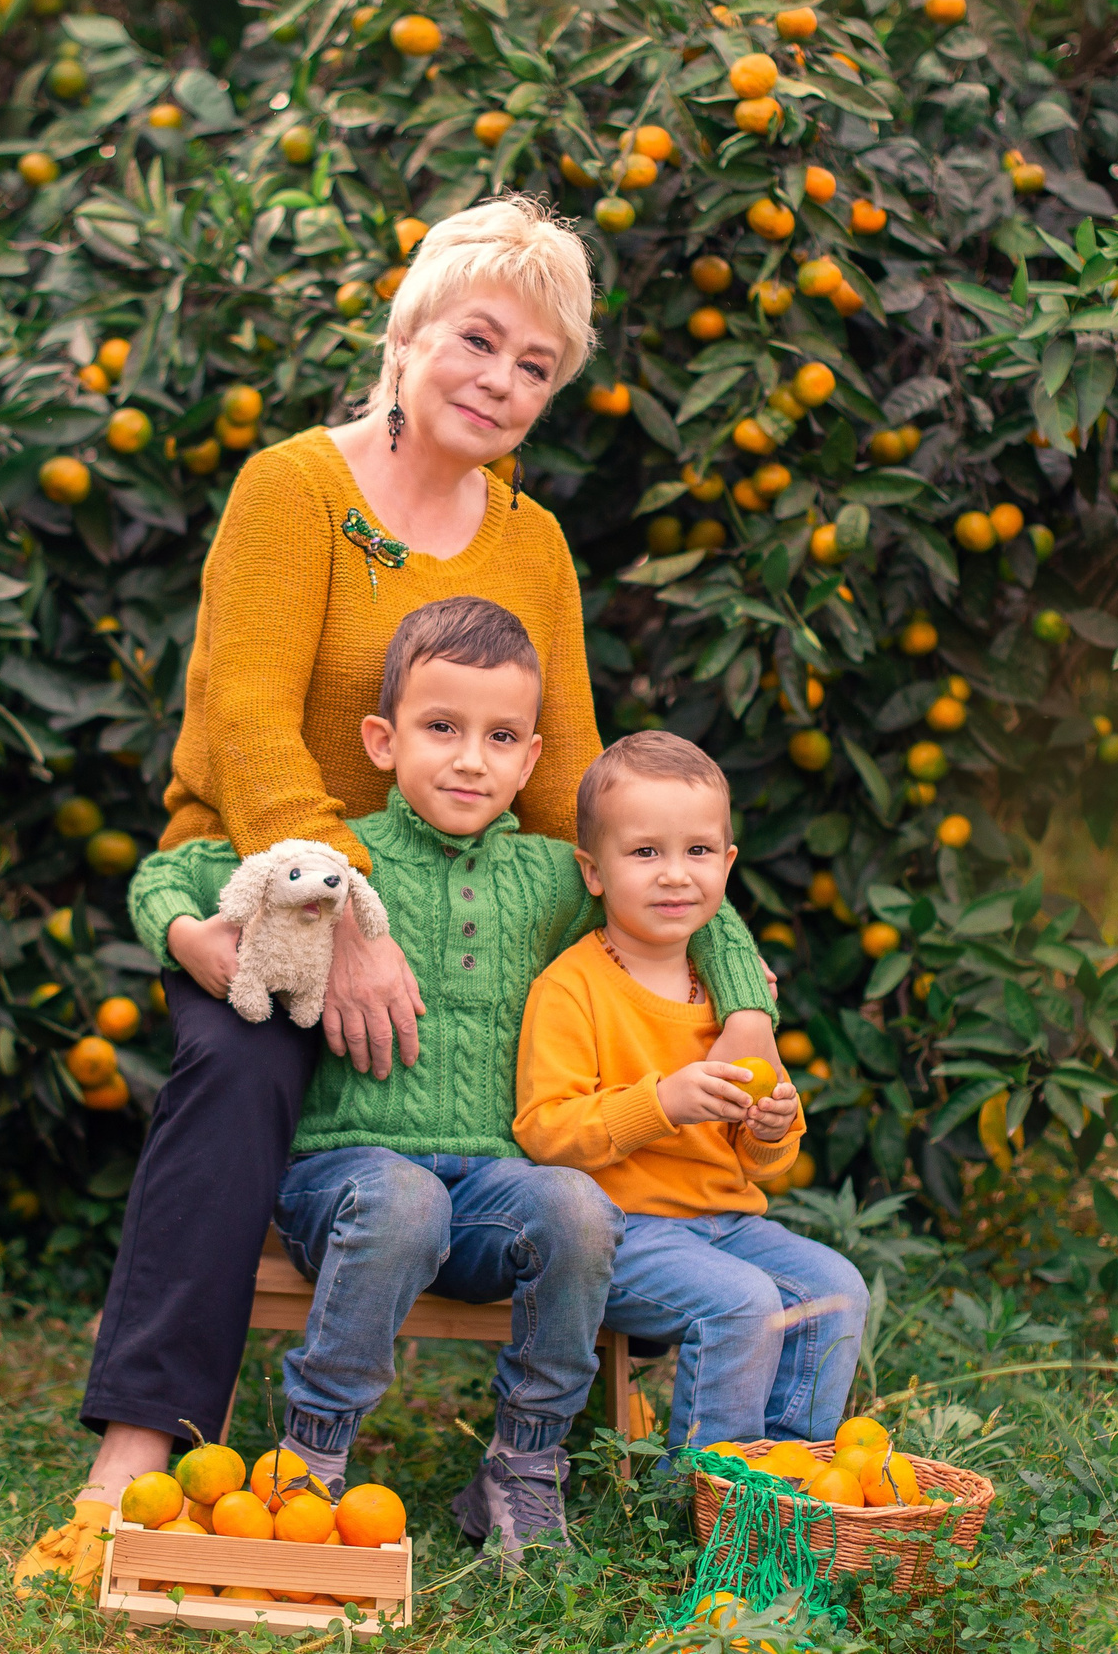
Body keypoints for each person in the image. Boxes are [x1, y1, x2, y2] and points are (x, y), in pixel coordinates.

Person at [11, 196, 785, 1592]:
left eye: (536, 365)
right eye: (478, 341)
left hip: (466, 892)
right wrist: (347, 915)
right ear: (409, 333)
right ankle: (137, 1448)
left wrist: (733, 982)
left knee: (588, 1071)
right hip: (267, 888)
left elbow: (583, 797)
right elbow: (246, 723)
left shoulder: (532, 544)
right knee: (241, 1065)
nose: (499, 380)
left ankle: (558, 1446)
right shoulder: (293, 488)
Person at [120, 598, 779, 1562]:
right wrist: (191, 940)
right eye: (442, 728)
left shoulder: (556, 877)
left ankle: (524, 1462)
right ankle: (313, 1456)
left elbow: (691, 905)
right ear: (382, 741)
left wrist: (748, 1010)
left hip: (490, 1195)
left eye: (500, 737)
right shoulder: (339, 860)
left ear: (531, 758)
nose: (472, 759)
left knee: (576, 1204)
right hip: (346, 1181)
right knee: (404, 1196)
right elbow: (167, 874)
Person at [514, 732, 870, 1450]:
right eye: (645, 852)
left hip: (727, 1222)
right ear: (593, 871)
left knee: (837, 1291)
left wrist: (771, 1128)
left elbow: (762, 1162)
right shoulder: (572, 987)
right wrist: (662, 1103)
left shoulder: (734, 999)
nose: (675, 875)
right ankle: (710, 1490)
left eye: (698, 851)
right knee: (742, 1302)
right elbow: (545, 1130)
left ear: (728, 864)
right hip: (621, 1233)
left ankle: (788, 1470)